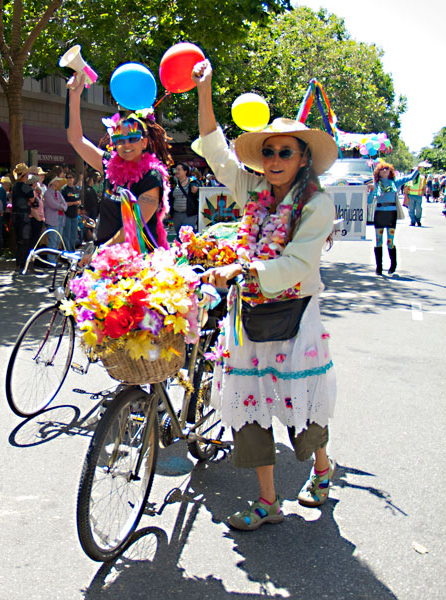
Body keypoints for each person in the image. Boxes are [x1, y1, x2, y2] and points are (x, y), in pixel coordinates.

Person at [193, 59, 338, 531]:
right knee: (247, 407)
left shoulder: (316, 204)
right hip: (248, 320)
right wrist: (204, 89)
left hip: (296, 319)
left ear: (303, 159)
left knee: (300, 403)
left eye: (286, 153)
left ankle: (321, 468)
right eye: (269, 151)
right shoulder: (252, 190)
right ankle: (268, 501)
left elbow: (298, 264)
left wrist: (242, 270)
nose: (275, 160)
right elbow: (216, 152)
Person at [66, 74, 172, 250]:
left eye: (133, 138)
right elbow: (76, 139)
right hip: (107, 256)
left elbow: (136, 226)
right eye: (119, 140)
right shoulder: (109, 164)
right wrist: (74, 95)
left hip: (139, 263)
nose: (126, 144)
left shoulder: (152, 176)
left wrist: (102, 249)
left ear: (144, 142)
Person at [367, 161, 417, 275]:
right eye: (382, 169)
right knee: (378, 240)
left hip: (391, 214)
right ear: (378, 172)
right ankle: (379, 266)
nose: (385, 171)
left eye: (387, 169)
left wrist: (418, 169)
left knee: (390, 241)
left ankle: (393, 264)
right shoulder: (376, 185)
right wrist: (370, 191)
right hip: (379, 213)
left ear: (390, 171)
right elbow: (369, 201)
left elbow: (410, 177)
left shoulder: (395, 183)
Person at [11, 163, 35, 269]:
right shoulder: (26, 187)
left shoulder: (15, 186)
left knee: (19, 240)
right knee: (25, 240)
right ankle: (23, 263)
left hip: (15, 216)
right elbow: (33, 200)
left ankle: (18, 262)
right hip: (24, 216)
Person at [43, 175, 68, 260]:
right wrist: (61, 206)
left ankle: (54, 260)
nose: (58, 183)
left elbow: (65, 204)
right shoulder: (47, 193)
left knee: (58, 240)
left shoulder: (58, 193)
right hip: (52, 219)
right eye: (57, 181)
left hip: (60, 218)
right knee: (52, 240)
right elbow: (53, 204)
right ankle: (51, 260)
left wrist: (62, 206)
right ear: (52, 183)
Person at [171, 162, 200, 232]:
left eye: (179, 169)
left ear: (185, 171)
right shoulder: (173, 183)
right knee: (178, 237)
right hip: (177, 215)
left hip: (189, 215)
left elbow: (200, 193)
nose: (176, 171)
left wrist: (197, 190)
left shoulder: (193, 182)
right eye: (176, 169)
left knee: (188, 237)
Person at [61, 172, 81, 251]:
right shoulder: (64, 189)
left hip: (75, 215)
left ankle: (72, 251)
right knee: (66, 235)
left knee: (73, 235)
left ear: (74, 179)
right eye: (67, 177)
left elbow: (79, 200)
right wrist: (74, 203)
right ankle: (67, 251)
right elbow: (63, 203)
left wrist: (78, 203)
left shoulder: (76, 189)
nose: (69, 179)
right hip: (67, 215)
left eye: (71, 177)